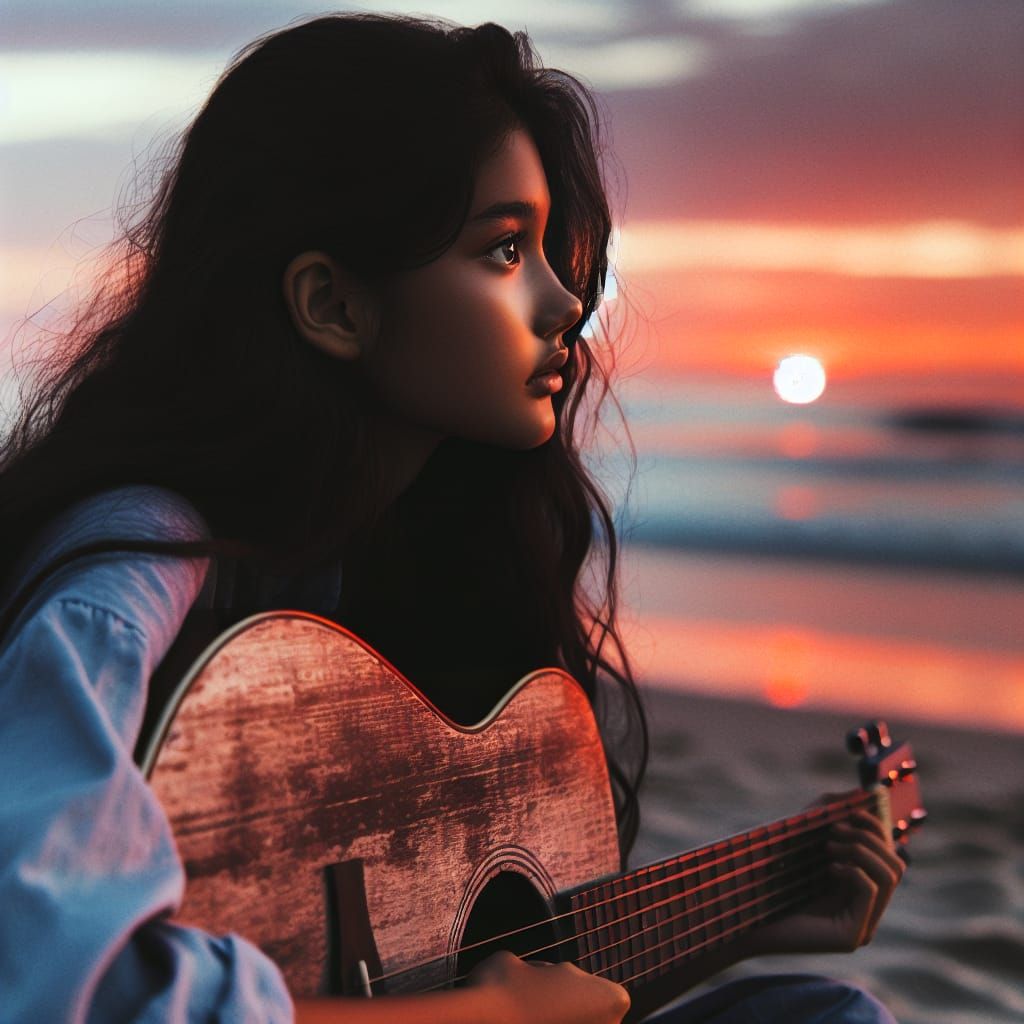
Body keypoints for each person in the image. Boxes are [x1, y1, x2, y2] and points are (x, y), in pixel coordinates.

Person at [0, 13, 904, 1023]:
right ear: (333, 306)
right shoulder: (127, 582)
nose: (564, 300)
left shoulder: (383, 554)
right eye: (504, 249)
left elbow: (452, 974)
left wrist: (763, 909)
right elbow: (57, 987)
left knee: (820, 1007)